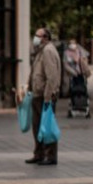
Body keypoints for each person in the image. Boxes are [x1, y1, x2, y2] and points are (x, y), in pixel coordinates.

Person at [26, 27, 61, 166]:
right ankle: (39, 153)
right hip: (37, 94)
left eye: (37, 35)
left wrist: (48, 96)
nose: (35, 38)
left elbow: (51, 76)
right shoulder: (41, 51)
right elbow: (36, 72)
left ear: (45, 37)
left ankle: (50, 155)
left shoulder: (48, 51)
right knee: (37, 125)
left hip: (45, 96)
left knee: (47, 126)